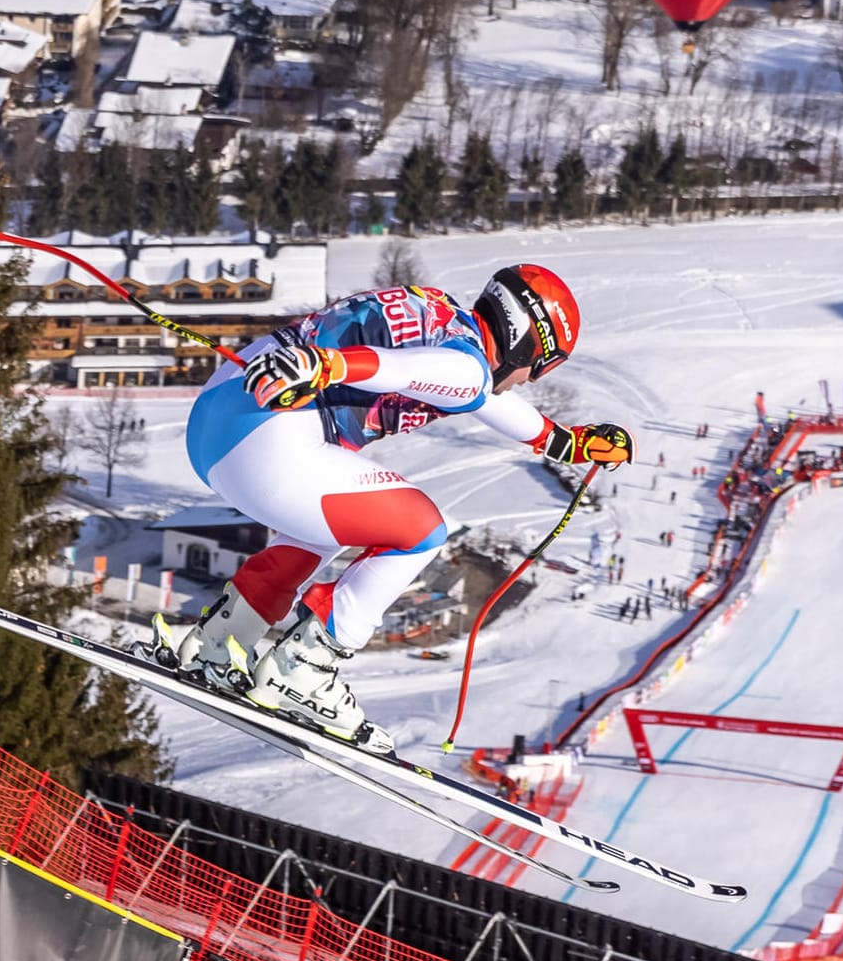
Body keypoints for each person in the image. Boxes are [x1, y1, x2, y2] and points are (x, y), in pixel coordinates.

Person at [147, 266, 635, 752]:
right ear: (527, 341)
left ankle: (221, 640)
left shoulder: (447, 323)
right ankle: (303, 670)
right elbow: (410, 371)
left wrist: (563, 442)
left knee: (325, 528)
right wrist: (329, 367)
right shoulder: (464, 367)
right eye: (542, 366)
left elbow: (476, 393)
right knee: (421, 530)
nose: (530, 380)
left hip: (221, 423)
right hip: (265, 442)